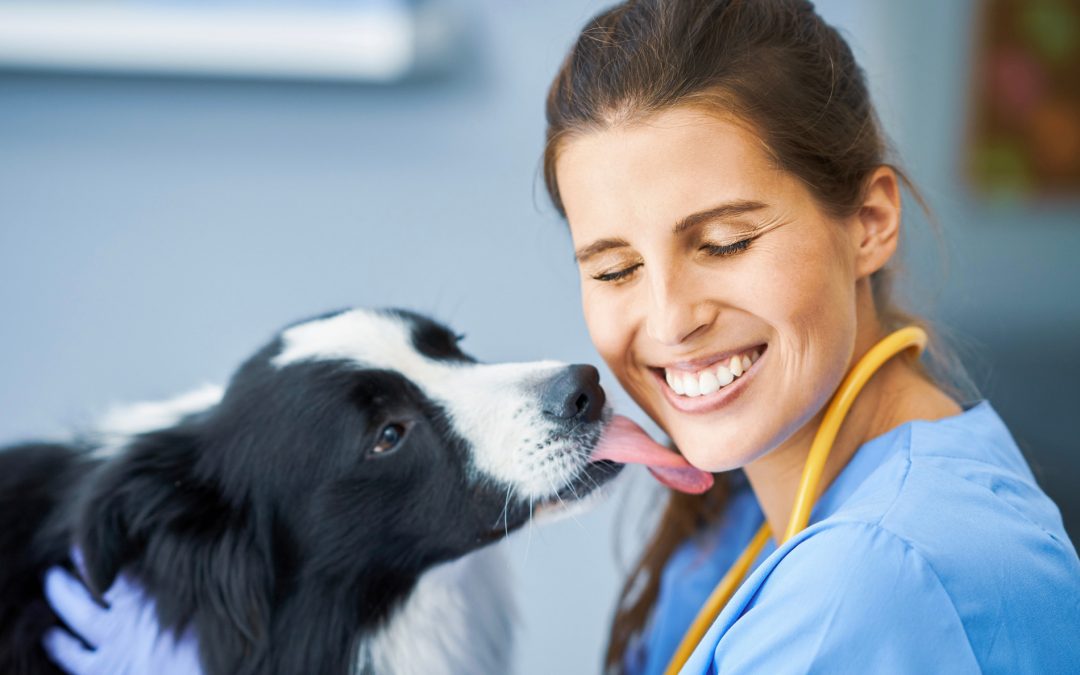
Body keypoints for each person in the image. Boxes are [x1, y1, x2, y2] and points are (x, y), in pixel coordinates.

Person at [43, 1, 1080, 673]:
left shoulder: (876, 588)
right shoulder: (753, 501)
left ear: (870, 219)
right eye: (615, 268)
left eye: (723, 241)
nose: (668, 320)